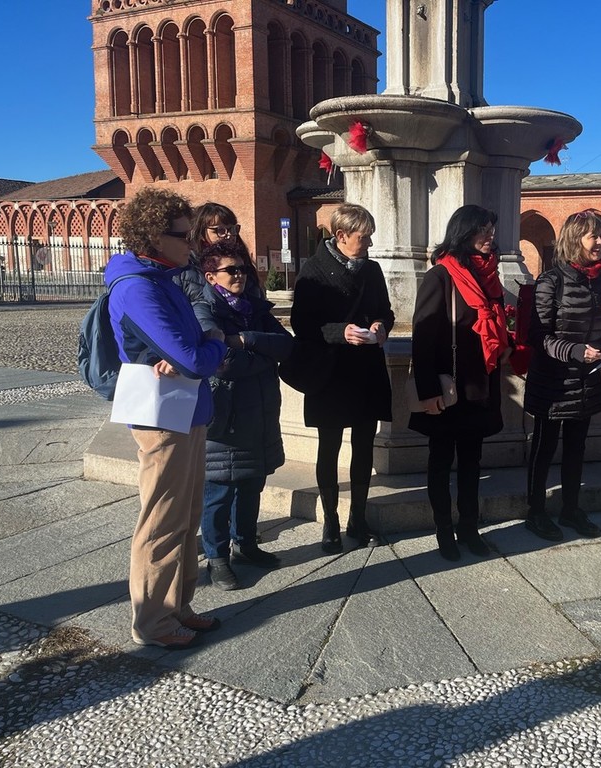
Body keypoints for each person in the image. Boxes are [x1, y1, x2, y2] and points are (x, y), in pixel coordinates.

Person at [105, 187, 227, 649]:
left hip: (184, 408)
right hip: (161, 416)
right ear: (154, 237)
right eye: (184, 236)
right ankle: (152, 622)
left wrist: (200, 345)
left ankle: (177, 606)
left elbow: (188, 348)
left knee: (185, 514)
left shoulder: (160, 279)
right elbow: (195, 355)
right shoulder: (138, 286)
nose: (192, 245)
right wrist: (214, 341)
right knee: (161, 521)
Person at [289, 204, 394, 553]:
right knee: (329, 448)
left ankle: (358, 519)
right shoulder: (313, 272)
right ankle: (331, 522)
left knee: (364, 447)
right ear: (341, 236)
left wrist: (381, 326)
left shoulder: (373, 270)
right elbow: (302, 325)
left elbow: (386, 311)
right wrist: (340, 331)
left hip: (366, 369)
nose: (368, 244)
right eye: (363, 238)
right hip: (330, 373)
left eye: (369, 237)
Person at [409, 205, 511, 562]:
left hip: (480, 386)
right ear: (464, 232)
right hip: (449, 387)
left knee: (472, 461)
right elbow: (422, 337)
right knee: (440, 461)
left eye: (492, 230)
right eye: (484, 229)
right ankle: (443, 530)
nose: (491, 237)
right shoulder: (441, 276)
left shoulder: (490, 277)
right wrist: (428, 392)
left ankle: (469, 526)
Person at [194, 240, 294, 590]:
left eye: (243, 269)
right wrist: (262, 352)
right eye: (231, 270)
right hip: (226, 417)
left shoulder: (255, 308)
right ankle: (217, 557)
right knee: (219, 493)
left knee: (252, 485)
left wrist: (246, 339)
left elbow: (287, 345)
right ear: (211, 276)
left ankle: (246, 545)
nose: (239, 275)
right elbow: (223, 364)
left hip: (260, 413)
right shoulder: (203, 310)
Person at [523, 210, 601, 542]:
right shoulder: (550, 281)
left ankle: (571, 509)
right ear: (574, 239)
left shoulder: (599, 278)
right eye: (593, 236)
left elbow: (595, 325)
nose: (600, 242)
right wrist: (576, 351)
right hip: (553, 381)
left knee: (577, 448)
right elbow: (538, 336)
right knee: (544, 448)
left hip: (586, 378)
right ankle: (535, 513)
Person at [175, 202, 261, 307]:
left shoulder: (243, 264)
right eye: (220, 230)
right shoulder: (187, 267)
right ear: (201, 233)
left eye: (232, 229)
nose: (228, 235)